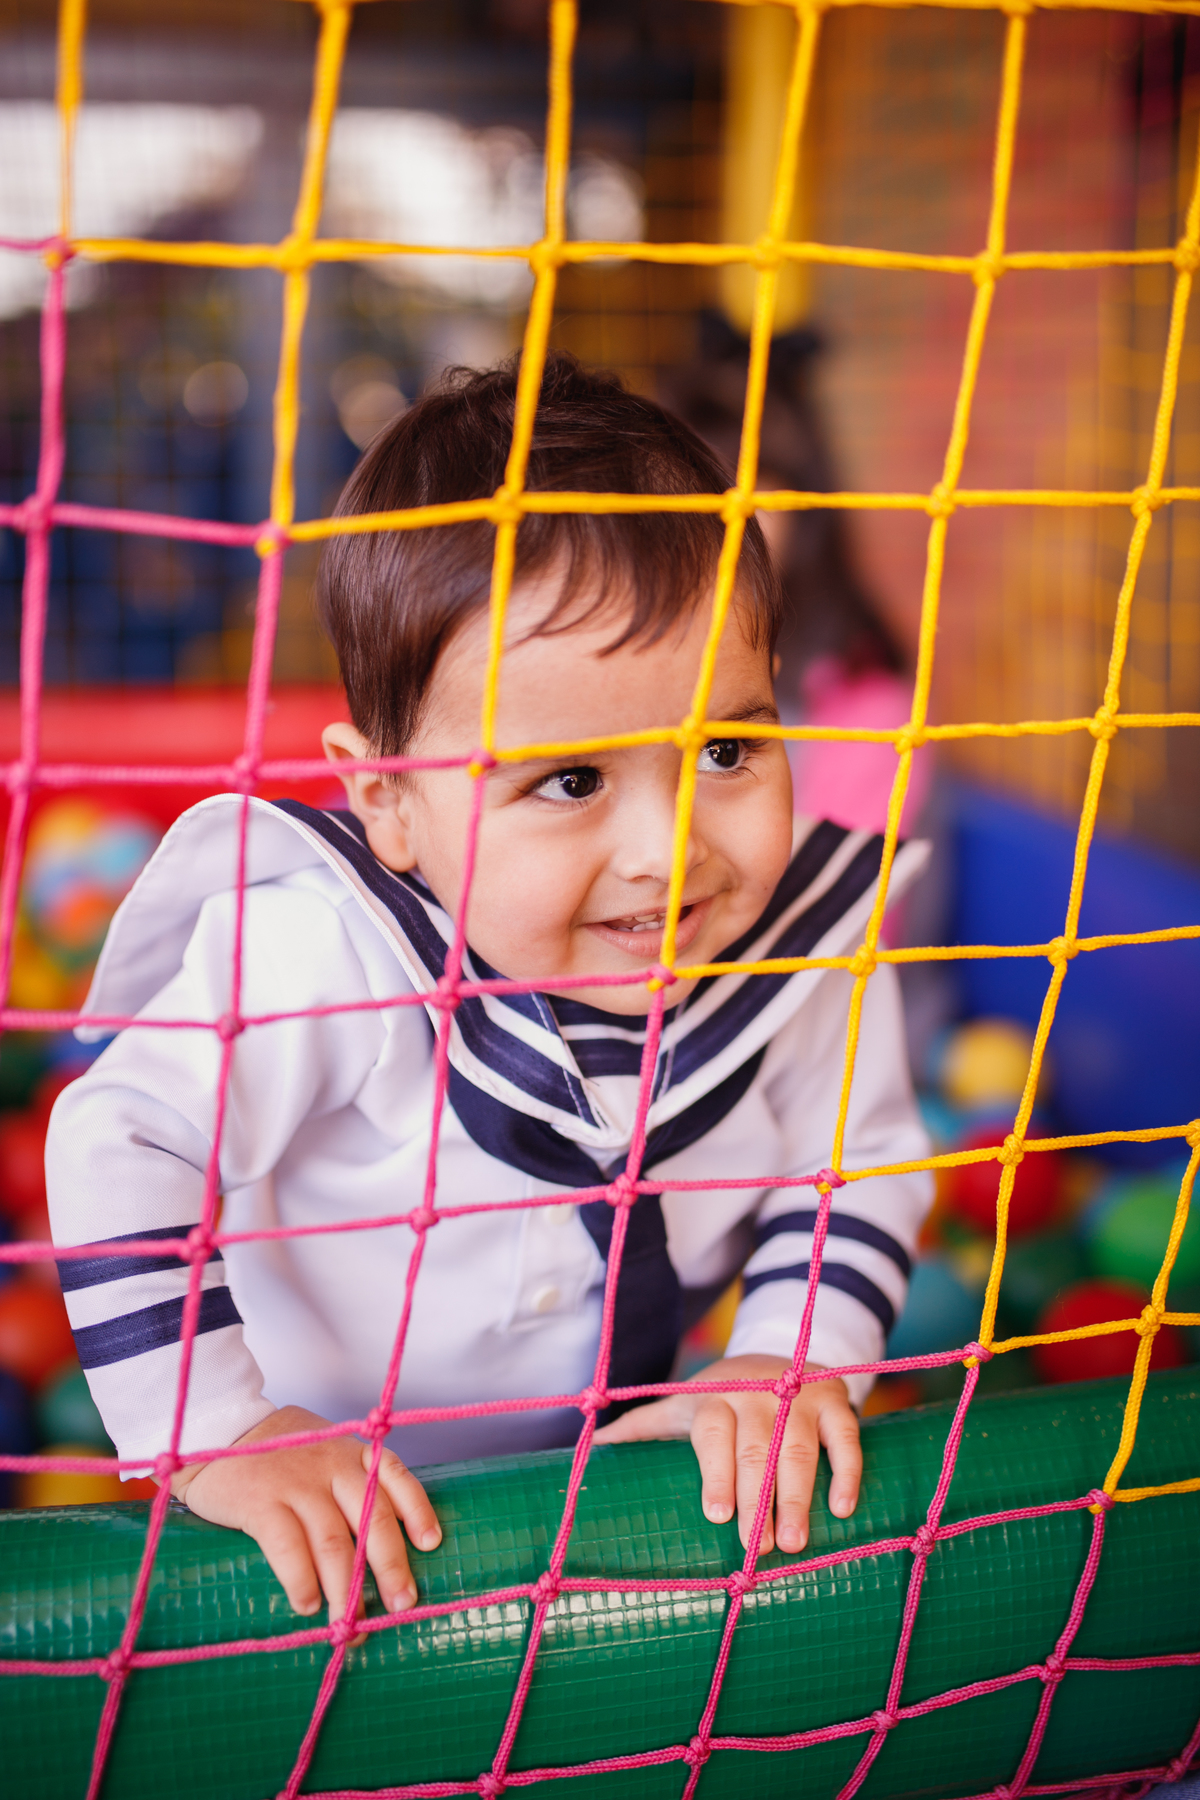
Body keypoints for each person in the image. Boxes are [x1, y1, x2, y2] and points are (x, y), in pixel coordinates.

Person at [46, 354, 931, 1636]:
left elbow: (861, 1163)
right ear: (390, 800)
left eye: (728, 749)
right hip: (336, 1500)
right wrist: (218, 1430)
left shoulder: (802, 945)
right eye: (569, 781)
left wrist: (790, 1354)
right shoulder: (325, 945)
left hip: (604, 1497)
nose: (668, 851)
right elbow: (118, 1131)